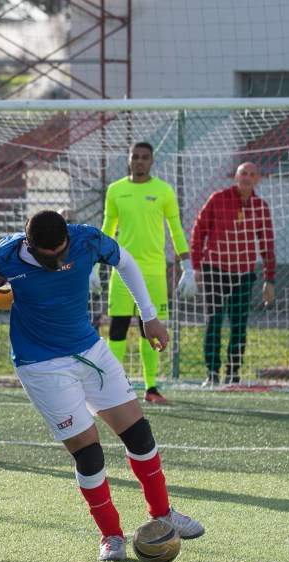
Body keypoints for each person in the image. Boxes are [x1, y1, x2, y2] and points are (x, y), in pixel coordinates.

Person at [0, 210, 204, 561]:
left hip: (89, 350)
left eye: (63, 252)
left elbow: (126, 261)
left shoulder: (86, 239)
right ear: (30, 246)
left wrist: (148, 315)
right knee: (89, 453)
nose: (60, 261)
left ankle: (163, 513)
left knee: (139, 433)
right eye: (51, 257)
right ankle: (111, 535)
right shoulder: (6, 256)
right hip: (42, 366)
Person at [101, 141, 196, 405]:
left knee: (149, 329)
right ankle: (113, 386)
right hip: (121, 270)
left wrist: (187, 266)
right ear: (129, 159)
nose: (139, 161)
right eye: (135, 156)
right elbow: (108, 227)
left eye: (145, 157)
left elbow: (176, 229)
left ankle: (151, 387)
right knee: (117, 329)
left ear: (152, 160)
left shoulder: (163, 191)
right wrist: (94, 265)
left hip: (153, 271)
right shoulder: (116, 190)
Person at [190, 162, 276, 387]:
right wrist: (196, 267)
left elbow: (267, 246)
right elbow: (199, 232)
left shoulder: (261, 207)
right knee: (214, 322)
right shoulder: (218, 199)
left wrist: (270, 279)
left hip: (243, 274)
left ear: (258, 178)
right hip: (215, 270)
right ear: (236, 177)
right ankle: (212, 373)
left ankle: (234, 374)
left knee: (239, 325)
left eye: (252, 174)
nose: (247, 177)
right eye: (243, 173)